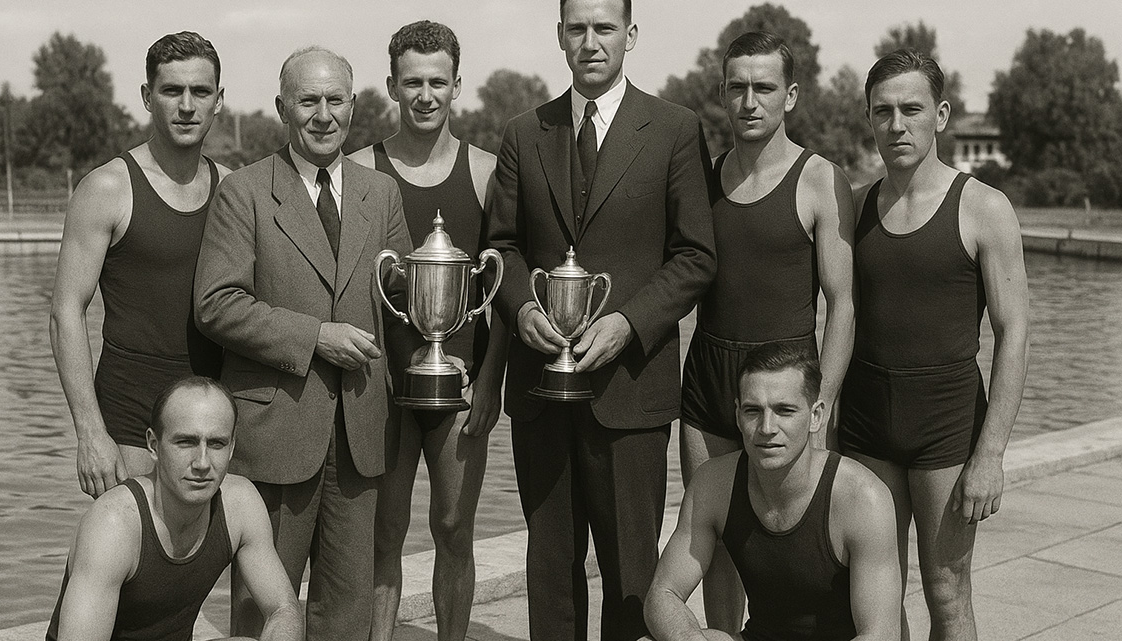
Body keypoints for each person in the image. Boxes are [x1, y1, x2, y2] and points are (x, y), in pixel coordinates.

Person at [486, 0, 716, 638]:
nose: (591, 42)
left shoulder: (674, 129)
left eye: (604, 28)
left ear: (630, 36)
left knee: (632, 574)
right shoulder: (522, 133)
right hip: (541, 388)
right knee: (550, 572)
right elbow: (498, 247)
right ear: (560, 36)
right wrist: (522, 306)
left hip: (630, 390)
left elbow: (695, 255)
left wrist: (629, 324)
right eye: (578, 28)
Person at [193, 46, 412, 640]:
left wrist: (445, 363)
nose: (322, 114)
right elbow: (216, 303)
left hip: (362, 433)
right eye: (308, 100)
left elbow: (405, 309)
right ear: (282, 108)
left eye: (334, 100)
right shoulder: (245, 192)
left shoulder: (381, 194)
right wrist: (314, 336)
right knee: (263, 608)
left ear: (355, 106)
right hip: (276, 434)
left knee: (347, 611)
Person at [841, 49, 1029, 640]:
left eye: (912, 110)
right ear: (869, 119)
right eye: (883, 112)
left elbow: (1014, 331)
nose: (897, 125)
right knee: (875, 592)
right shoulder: (856, 207)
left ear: (941, 115)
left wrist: (991, 453)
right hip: (867, 420)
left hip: (945, 424)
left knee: (947, 591)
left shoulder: (983, 209)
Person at [678, 31, 855, 632]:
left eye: (764, 88)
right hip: (709, 383)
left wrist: (821, 399)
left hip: (788, 386)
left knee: (796, 543)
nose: (750, 101)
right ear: (722, 95)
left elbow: (844, 302)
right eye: (737, 88)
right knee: (717, 544)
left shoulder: (819, 181)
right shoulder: (702, 179)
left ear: (791, 95)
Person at [345, 20, 508, 641]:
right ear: (390, 85)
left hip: (460, 383)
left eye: (437, 82)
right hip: (380, 385)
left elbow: (505, 288)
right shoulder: (361, 170)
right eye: (411, 81)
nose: (424, 95)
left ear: (457, 85)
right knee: (384, 532)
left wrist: (491, 380)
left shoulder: (486, 173)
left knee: (452, 528)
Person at [50, 31, 228, 498]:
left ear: (219, 101)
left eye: (200, 92)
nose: (186, 106)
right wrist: (90, 432)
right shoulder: (107, 188)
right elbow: (66, 311)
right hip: (129, 419)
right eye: (172, 91)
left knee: (199, 566)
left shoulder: (233, 191)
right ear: (148, 97)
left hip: (211, 417)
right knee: (120, 559)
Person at [644, 343, 902, 641]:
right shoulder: (713, 484)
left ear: (816, 416)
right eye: (753, 411)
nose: (767, 427)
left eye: (784, 410)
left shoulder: (863, 499)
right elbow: (663, 594)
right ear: (737, 414)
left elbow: (880, 634)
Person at [46, 376, 302, 641]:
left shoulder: (240, 503)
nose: (202, 463)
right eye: (186, 442)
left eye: (216, 444)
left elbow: (283, 608)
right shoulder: (113, 524)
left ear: (232, 447)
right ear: (153, 446)